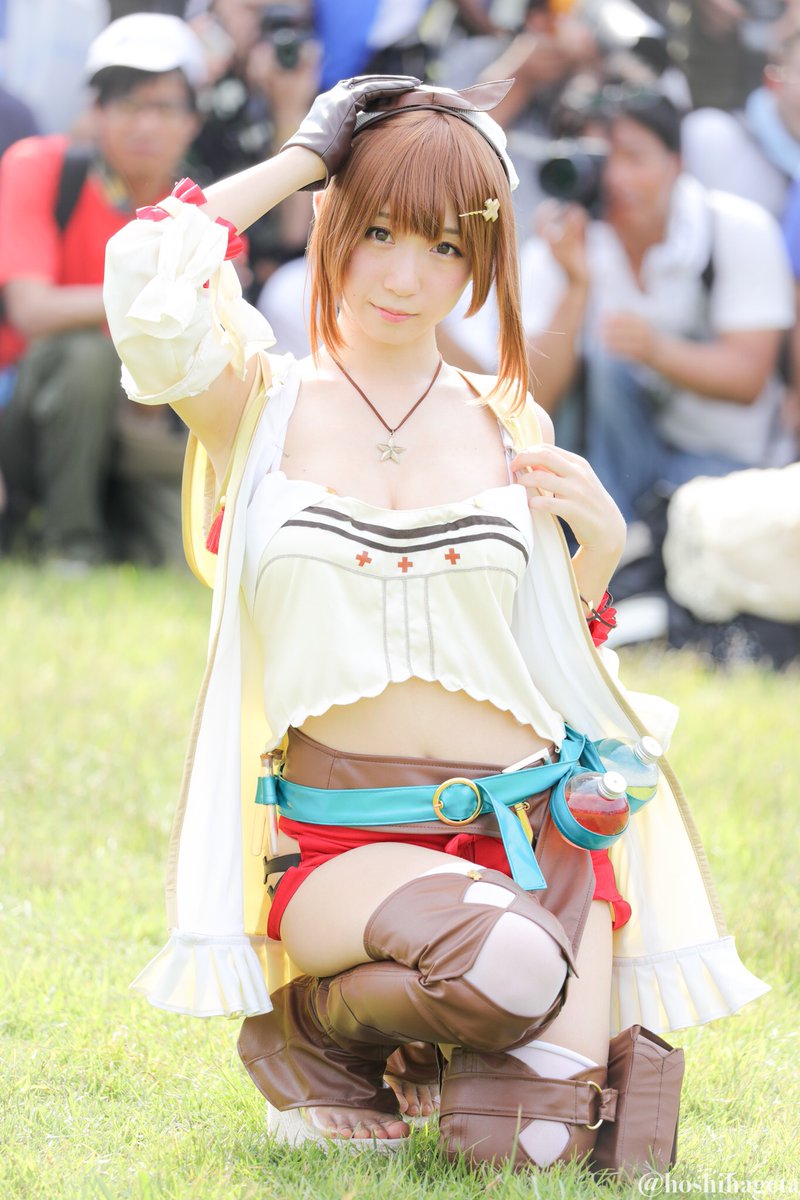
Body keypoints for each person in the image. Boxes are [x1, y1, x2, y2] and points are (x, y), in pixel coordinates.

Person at [102, 76, 767, 1168]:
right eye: (377, 232)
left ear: (482, 262)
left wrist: (596, 554)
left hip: (534, 835)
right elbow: (143, 280)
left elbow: (541, 656)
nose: (406, 277)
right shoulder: (255, 406)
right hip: (347, 845)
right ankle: (318, 1031)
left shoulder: (510, 423)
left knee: (529, 1153)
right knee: (509, 964)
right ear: (330, 220)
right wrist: (305, 156)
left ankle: (433, 1033)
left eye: (446, 247)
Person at [521, 90, 796, 531]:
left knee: (612, 351)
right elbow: (531, 401)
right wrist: (575, 287)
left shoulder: (736, 228)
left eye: (634, 157)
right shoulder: (563, 242)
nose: (616, 178)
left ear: (676, 162)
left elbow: (747, 379)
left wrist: (655, 349)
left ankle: (622, 540)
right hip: (621, 464)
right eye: (600, 158)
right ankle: (615, 538)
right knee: (603, 358)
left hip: (730, 466)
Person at [0, 12, 206, 567]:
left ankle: (106, 527)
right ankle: (72, 545)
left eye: (164, 107)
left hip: (138, 419)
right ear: (95, 112)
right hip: (27, 410)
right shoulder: (42, 167)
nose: (145, 124)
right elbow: (31, 310)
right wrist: (155, 293)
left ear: (193, 120)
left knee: (179, 556)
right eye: (127, 104)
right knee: (87, 355)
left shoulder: (203, 208)